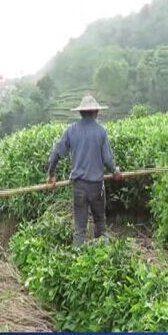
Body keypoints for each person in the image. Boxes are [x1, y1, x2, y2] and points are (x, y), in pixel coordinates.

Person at [46, 94, 122, 246]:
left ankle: (77, 261)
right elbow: (107, 159)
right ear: (96, 112)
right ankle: (101, 257)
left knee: (80, 228)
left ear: (81, 112)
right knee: (100, 223)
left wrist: (51, 175)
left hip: (79, 187)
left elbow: (56, 153)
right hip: (96, 187)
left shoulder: (71, 130)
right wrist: (115, 171)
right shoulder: (101, 131)